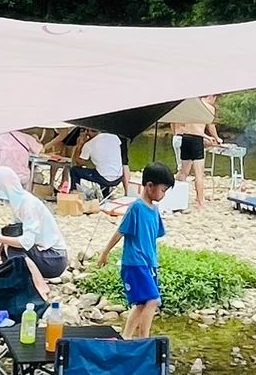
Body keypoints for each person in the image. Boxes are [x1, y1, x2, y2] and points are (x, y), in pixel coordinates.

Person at [97, 162, 173, 337]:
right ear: (149, 186)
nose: (163, 195)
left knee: (141, 304)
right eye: (162, 190)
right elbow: (121, 231)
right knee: (153, 300)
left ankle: (126, 337)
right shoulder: (136, 207)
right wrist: (105, 252)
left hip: (149, 263)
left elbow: (155, 235)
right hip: (135, 263)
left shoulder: (154, 209)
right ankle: (144, 340)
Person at [0, 165, 68, 299]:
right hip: (45, 254)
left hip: (55, 259)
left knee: (13, 249)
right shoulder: (19, 201)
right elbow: (15, 230)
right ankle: (22, 277)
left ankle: (39, 285)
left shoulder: (27, 204)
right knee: (7, 245)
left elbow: (26, 242)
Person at [174, 97, 224, 209]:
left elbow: (180, 123)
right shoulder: (209, 108)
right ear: (212, 97)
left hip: (185, 138)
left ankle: (174, 194)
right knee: (198, 173)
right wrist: (215, 138)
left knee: (184, 171)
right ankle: (200, 201)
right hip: (196, 140)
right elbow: (210, 125)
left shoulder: (189, 106)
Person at [71, 128, 128, 201]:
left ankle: (74, 193)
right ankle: (106, 195)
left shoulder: (89, 144)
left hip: (104, 178)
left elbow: (79, 162)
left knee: (74, 170)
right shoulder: (114, 136)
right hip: (118, 178)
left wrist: (80, 144)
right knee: (103, 169)